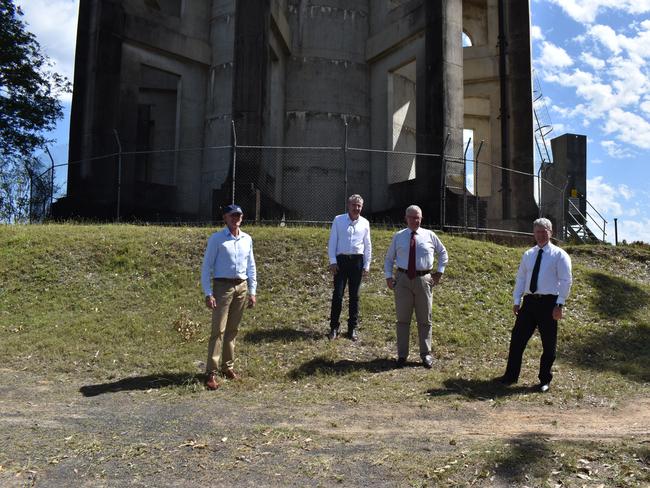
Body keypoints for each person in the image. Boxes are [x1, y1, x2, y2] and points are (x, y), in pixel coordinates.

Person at [499, 217, 572, 392]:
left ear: (550, 233)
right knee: (517, 340)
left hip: (549, 303)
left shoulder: (559, 255)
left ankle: (544, 380)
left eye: (544, 231)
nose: (540, 235)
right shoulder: (528, 254)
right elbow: (521, 279)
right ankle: (510, 376)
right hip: (529, 303)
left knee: (549, 344)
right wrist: (517, 301)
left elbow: (566, 280)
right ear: (533, 233)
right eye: (537, 231)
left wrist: (559, 304)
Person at [200, 204, 257, 390]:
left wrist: (252, 291)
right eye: (232, 215)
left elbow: (251, 266)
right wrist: (208, 293)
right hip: (222, 287)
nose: (236, 218)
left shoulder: (247, 239)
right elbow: (206, 267)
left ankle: (228, 367)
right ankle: (211, 372)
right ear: (225, 217)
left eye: (239, 215)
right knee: (218, 330)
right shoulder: (216, 239)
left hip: (241, 286)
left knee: (233, 329)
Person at [384, 205, 448, 368]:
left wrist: (439, 272)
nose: (415, 220)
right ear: (406, 218)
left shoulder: (430, 235)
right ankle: (402, 355)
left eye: (418, 217)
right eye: (412, 217)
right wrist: (389, 277)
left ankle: (425, 354)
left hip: (424, 280)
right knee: (403, 319)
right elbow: (389, 259)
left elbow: (443, 253)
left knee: (425, 319)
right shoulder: (398, 237)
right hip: (403, 279)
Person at [327, 194, 372, 341]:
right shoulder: (338, 220)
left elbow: (367, 245)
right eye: (354, 205)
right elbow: (333, 241)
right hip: (341, 261)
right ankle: (334, 327)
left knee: (355, 297)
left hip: (357, 262)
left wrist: (367, 264)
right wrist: (333, 261)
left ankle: (352, 329)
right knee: (338, 295)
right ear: (348, 205)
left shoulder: (365, 223)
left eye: (359, 206)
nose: (356, 208)